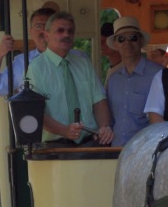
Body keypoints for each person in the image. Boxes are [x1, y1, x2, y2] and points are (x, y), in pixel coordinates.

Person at [26, 11, 113, 145]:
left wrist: (105, 127)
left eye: (70, 31)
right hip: (56, 147)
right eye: (60, 31)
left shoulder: (83, 63)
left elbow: (99, 100)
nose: (66, 35)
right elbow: (35, 112)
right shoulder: (37, 68)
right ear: (46, 35)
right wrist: (65, 131)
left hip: (90, 143)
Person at [105, 16, 162, 147]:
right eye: (121, 39)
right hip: (116, 151)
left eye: (133, 37)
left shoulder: (158, 74)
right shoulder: (113, 80)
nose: (127, 43)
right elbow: (111, 120)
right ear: (115, 44)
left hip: (147, 152)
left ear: (141, 41)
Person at [0, 6, 55, 99]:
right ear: (31, 32)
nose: (43, 31)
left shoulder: (76, 58)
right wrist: (0, 54)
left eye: (48, 26)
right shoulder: (21, 62)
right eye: (38, 26)